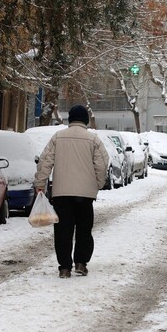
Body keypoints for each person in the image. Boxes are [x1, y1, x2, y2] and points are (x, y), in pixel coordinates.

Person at [34, 105, 109, 278]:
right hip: (85, 195)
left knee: (63, 230)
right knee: (84, 229)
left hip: (62, 193)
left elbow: (45, 161)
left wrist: (40, 182)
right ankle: (81, 263)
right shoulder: (93, 139)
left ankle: (64, 267)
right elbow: (102, 165)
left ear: (70, 119)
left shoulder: (58, 137)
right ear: (85, 120)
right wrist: (97, 184)